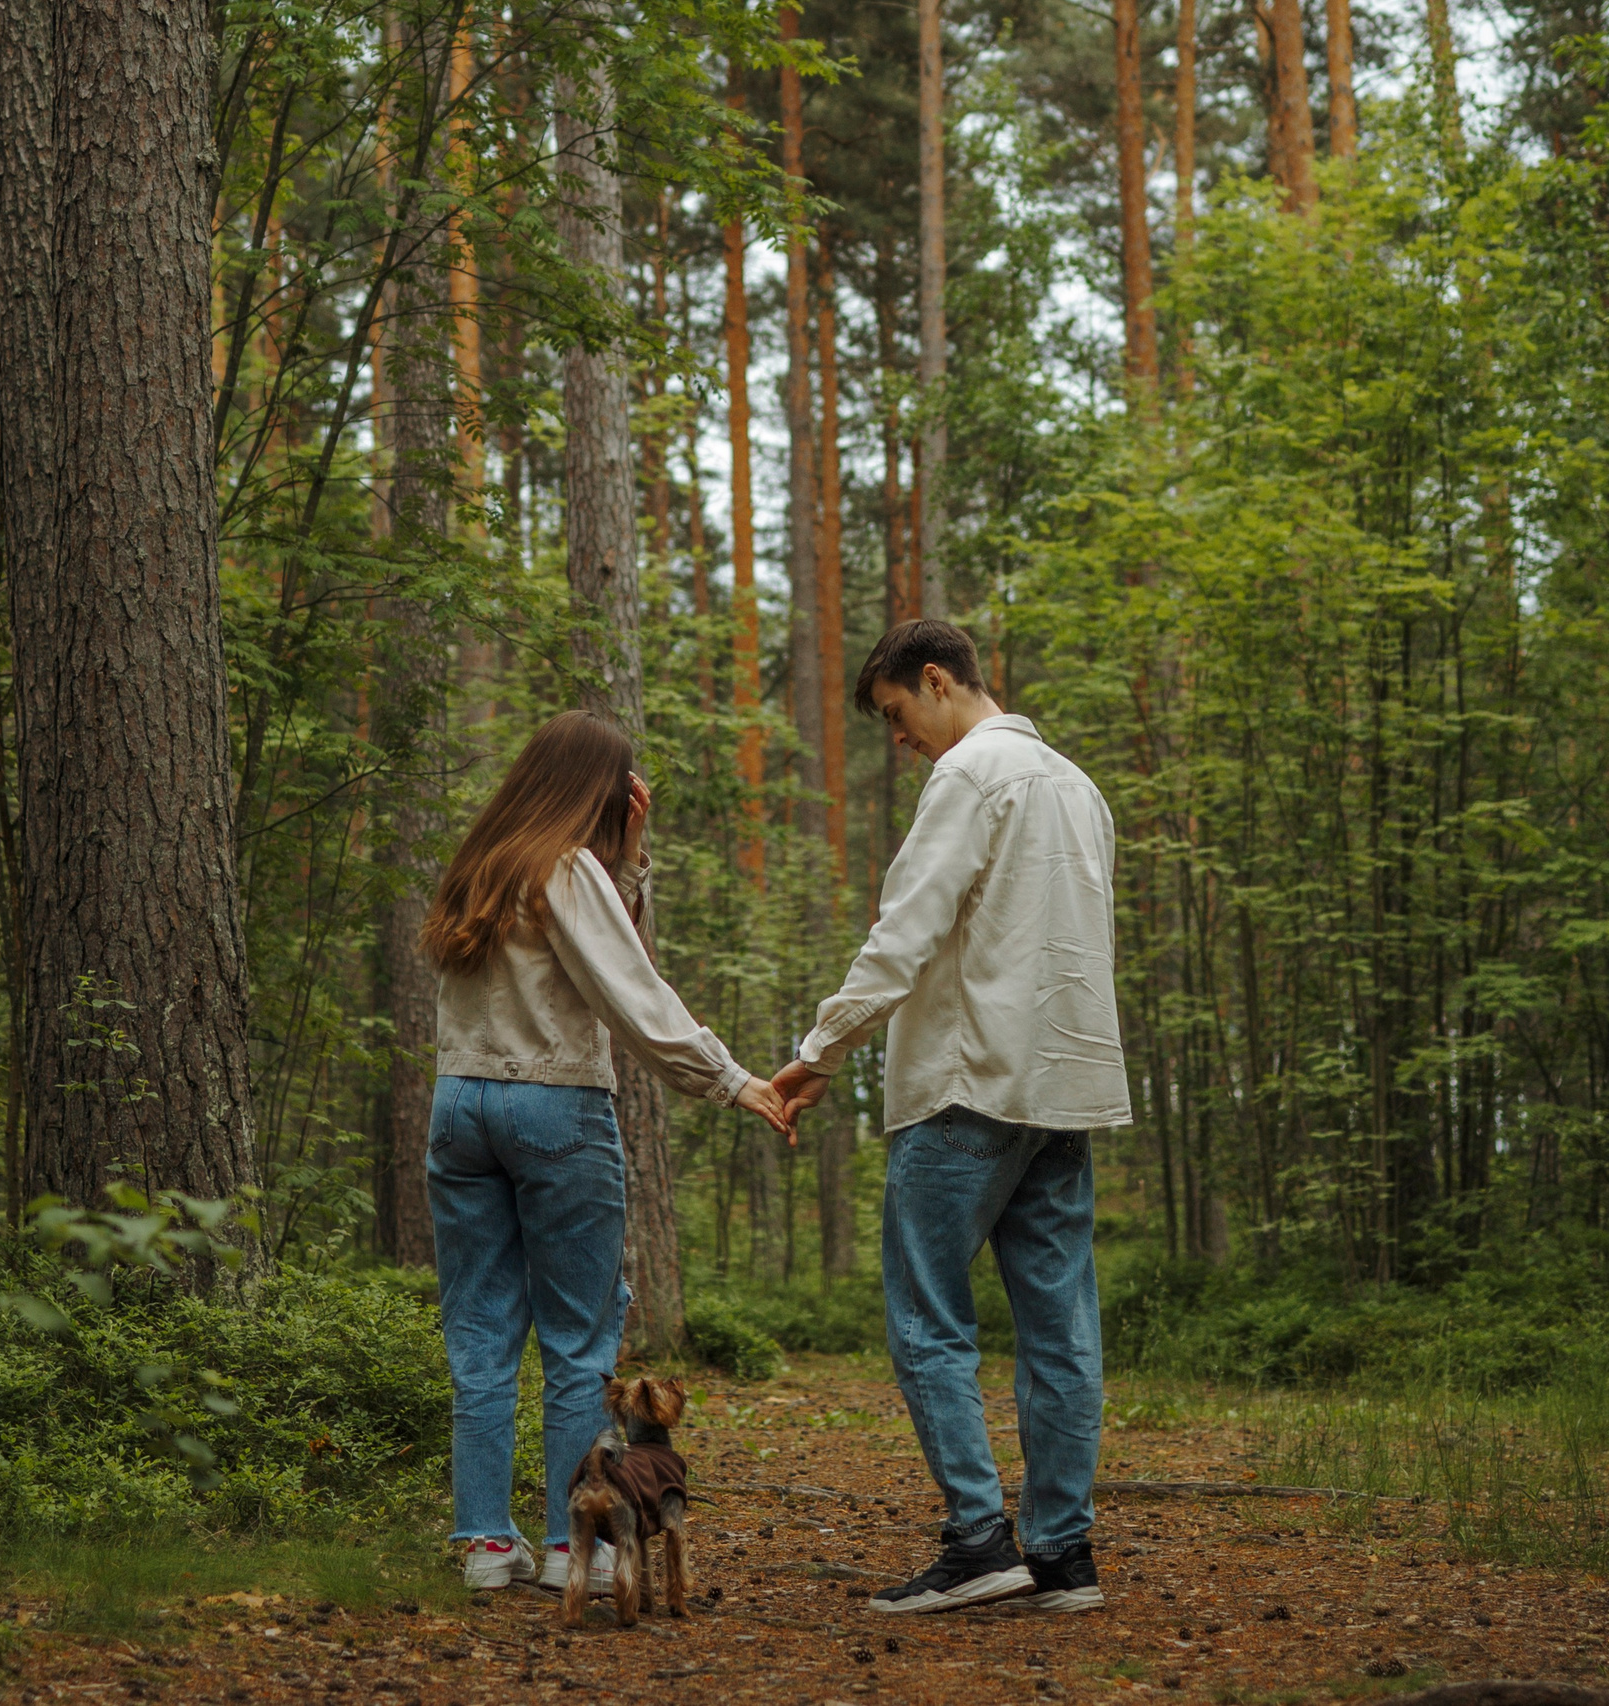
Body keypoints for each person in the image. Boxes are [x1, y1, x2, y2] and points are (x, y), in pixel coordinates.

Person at [772, 620, 1131, 1615]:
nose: (898, 737)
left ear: (937, 680)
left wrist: (816, 1053)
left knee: (928, 1316)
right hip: (1062, 1089)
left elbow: (903, 935)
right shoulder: (1077, 785)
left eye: (895, 713)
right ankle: (1061, 1554)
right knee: (1060, 1329)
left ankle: (977, 1538)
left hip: (969, 1087)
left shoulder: (972, 775)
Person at [422, 710, 790, 1595]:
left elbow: (600, 951)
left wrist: (631, 858)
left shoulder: (481, 863)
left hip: (459, 1103)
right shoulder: (566, 866)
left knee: (478, 1332)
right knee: (580, 1337)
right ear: (602, 789)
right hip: (553, 1105)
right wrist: (730, 1078)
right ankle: (562, 1543)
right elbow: (630, 986)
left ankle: (482, 1545)